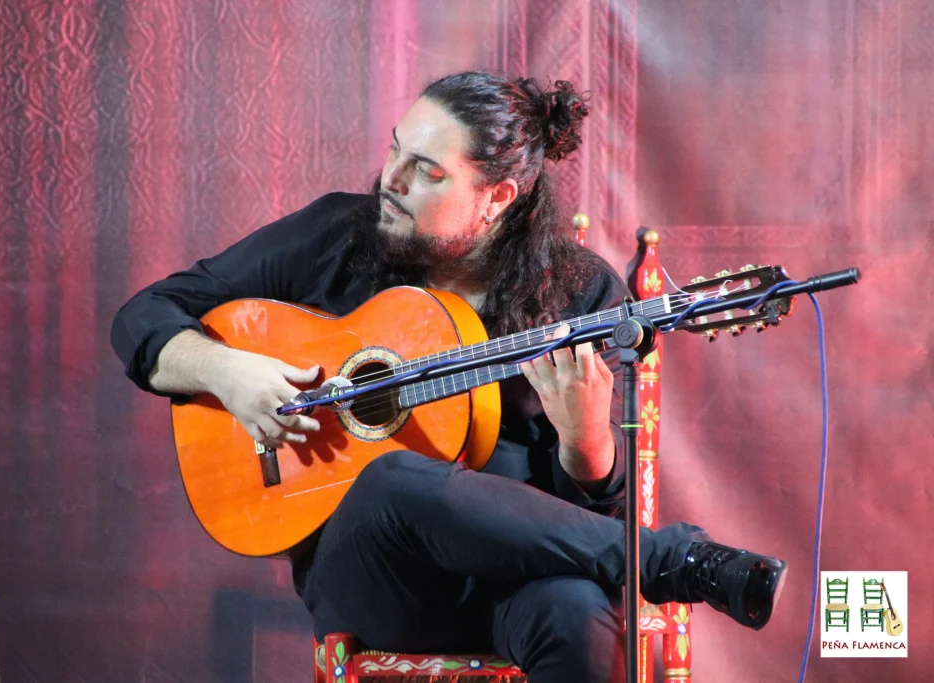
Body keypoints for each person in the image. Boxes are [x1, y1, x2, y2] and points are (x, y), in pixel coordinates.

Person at [111, 71, 787, 683]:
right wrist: (227, 370)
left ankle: (661, 562)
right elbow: (144, 314)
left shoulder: (581, 294)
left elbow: (586, 519)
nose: (391, 181)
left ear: (496, 198)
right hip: (377, 577)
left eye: (426, 171)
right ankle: (671, 562)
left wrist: (586, 451)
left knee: (577, 614)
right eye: (396, 151)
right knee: (396, 477)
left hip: (516, 585)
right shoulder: (339, 237)